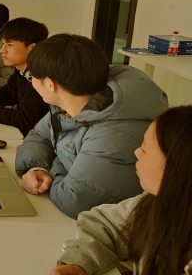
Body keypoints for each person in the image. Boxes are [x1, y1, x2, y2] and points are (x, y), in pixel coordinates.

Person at [15, 34, 169, 219]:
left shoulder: (113, 135)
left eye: (31, 76)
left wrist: (51, 166)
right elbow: (39, 135)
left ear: (50, 84)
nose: (30, 81)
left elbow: (74, 200)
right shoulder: (68, 103)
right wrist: (37, 169)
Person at [49, 106, 192, 275]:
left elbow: (74, 198)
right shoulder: (156, 202)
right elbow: (107, 225)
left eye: (145, 149)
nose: (136, 152)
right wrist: (79, 263)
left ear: (177, 167)